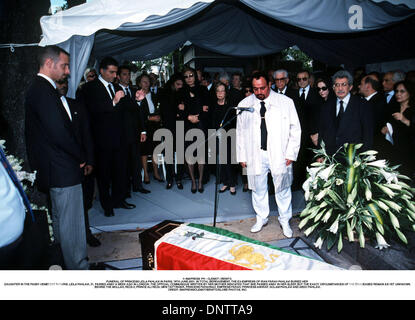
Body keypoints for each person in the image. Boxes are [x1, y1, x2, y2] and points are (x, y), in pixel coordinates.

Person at [25, 45, 88, 269]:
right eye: (65, 66)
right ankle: (79, 271)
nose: (68, 71)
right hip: (63, 168)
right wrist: (81, 155)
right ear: (49, 64)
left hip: (55, 169)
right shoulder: (44, 90)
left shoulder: (38, 89)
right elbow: (59, 132)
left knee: (63, 226)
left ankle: (65, 266)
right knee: (72, 230)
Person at [236, 71, 301, 237]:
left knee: (283, 187)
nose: (259, 92)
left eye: (262, 88)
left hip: (280, 153)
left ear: (270, 84)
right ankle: (261, 217)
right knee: (258, 188)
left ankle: (285, 219)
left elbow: (295, 128)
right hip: (255, 154)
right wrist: (242, 156)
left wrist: (291, 153)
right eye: (255, 89)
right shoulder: (244, 104)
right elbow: (240, 133)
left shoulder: (286, 102)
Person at [81, 56, 135, 217]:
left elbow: (127, 108)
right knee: (104, 175)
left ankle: (119, 200)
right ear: (102, 71)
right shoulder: (90, 88)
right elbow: (93, 110)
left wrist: (137, 100)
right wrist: (113, 102)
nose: (114, 75)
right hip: (102, 141)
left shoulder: (116, 87)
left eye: (116, 72)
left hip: (119, 139)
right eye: (111, 72)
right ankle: (107, 205)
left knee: (121, 172)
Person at [55, 78, 101, 247]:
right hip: (61, 166)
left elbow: (87, 135)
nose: (64, 86)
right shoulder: (49, 108)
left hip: (82, 165)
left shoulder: (77, 105)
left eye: (65, 83)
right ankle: (65, 242)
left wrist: (89, 160)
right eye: (60, 83)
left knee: (83, 202)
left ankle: (86, 233)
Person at [317, 70, 374, 156]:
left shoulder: (362, 105)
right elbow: (322, 132)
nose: (340, 88)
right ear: (333, 87)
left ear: (350, 87)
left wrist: (364, 158)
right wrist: (321, 154)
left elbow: (368, 135)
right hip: (330, 157)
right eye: (337, 85)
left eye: (344, 84)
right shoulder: (326, 106)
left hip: (353, 159)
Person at [117, 66, 150, 196]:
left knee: (136, 161)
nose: (127, 77)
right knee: (124, 163)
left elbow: (140, 113)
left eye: (129, 74)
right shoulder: (115, 90)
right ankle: (125, 190)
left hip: (135, 132)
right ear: (118, 76)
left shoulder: (134, 90)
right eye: (124, 74)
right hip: (122, 133)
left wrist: (143, 131)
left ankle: (138, 185)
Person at [182, 67, 210, 193]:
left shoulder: (203, 89)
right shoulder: (180, 91)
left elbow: (207, 108)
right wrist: (188, 116)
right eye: (186, 76)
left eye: (191, 75)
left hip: (200, 124)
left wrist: (197, 116)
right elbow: (178, 111)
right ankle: (193, 181)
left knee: (200, 155)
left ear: (195, 76)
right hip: (187, 126)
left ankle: (200, 181)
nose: (189, 78)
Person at [294, 70, 322, 190]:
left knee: (312, 160)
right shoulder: (294, 94)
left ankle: (312, 185)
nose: (301, 81)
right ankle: (298, 184)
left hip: (313, 134)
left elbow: (321, 114)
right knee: (298, 159)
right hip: (298, 134)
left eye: (304, 79)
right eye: (299, 79)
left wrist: (317, 133)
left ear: (309, 79)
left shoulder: (317, 93)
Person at [381, 80, 415, 178]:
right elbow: (388, 124)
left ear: (410, 93)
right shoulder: (392, 108)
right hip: (393, 149)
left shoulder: (412, 110)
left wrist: (404, 119)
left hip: (409, 151)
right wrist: (385, 129)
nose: (398, 94)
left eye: (402, 91)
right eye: (396, 91)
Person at [159, 73, 185, 190]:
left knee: (180, 155)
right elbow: (164, 112)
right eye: (178, 84)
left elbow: (184, 110)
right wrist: (177, 111)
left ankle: (179, 178)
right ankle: (170, 179)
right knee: (168, 155)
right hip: (168, 127)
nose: (180, 86)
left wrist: (180, 111)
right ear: (173, 83)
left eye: (181, 84)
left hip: (180, 127)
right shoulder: (164, 93)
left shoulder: (182, 93)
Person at [136, 73, 163, 184]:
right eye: (144, 81)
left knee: (155, 150)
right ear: (139, 83)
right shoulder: (137, 96)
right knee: (144, 151)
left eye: (148, 81)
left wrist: (159, 117)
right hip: (143, 127)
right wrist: (149, 118)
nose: (146, 83)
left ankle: (156, 173)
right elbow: (137, 114)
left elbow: (160, 109)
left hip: (155, 127)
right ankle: (146, 174)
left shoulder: (154, 95)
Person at [211, 82, 237, 195]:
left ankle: (232, 184)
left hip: (228, 136)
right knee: (221, 161)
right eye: (218, 91)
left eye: (222, 90)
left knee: (228, 161)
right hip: (216, 137)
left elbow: (233, 123)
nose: (220, 93)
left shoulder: (230, 106)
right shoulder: (213, 105)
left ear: (226, 92)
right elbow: (211, 122)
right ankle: (225, 182)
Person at [359, 74, 390, 159]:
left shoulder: (378, 103)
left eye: (361, 84)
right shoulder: (368, 102)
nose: (358, 86)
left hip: (375, 148)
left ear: (368, 86)